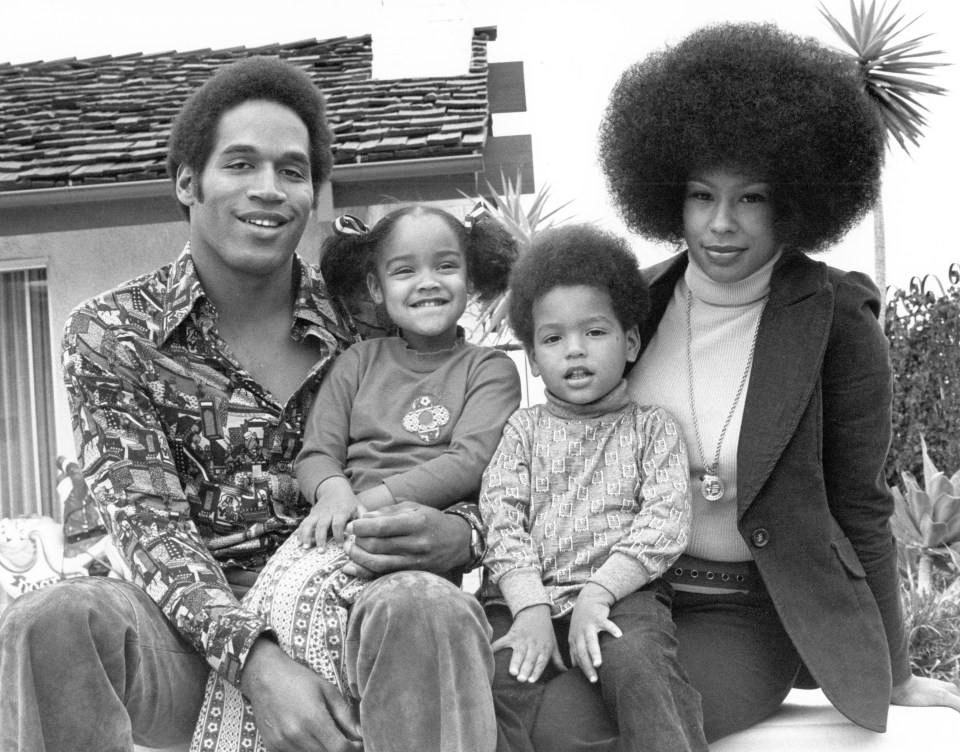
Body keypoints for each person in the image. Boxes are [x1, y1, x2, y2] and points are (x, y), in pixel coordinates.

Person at [0, 57, 494, 752]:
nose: (268, 189)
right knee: (53, 620)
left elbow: (484, 457)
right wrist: (259, 665)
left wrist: (465, 534)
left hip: (354, 606)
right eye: (240, 164)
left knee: (426, 605)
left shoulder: (374, 320)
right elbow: (152, 532)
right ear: (187, 181)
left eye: (292, 172)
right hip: (191, 642)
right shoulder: (113, 334)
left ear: (314, 196)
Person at [530, 22, 960, 751]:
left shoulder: (836, 320)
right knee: (528, 716)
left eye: (751, 198)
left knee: (584, 733)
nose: (721, 224)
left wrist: (893, 672)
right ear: (669, 194)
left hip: (746, 615)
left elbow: (860, 500)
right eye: (701, 196)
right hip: (625, 593)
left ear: (794, 200)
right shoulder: (636, 304)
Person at [192, 204, 523, 752]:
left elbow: (469, 460)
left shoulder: (488, 370)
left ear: (471, 277)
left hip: (414, 539)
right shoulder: (359, 363)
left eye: (446, 266)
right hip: (339, 525)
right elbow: (317, 452)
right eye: (404, 271)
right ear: (375, 286)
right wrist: (334, 491)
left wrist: (371, 500)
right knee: (287, 609)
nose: (427, 283)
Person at [480, 224, 707, 752]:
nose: (575, 351)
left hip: (622, 598)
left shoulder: (652, 428)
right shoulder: (523, 432)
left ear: (630, 342)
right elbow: (501, 519)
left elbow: (665, 523)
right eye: (554, 338)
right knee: (487, 685)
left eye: (595, 332)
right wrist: (529, 607)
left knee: (640, 667)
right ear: (534, 359)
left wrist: (599, 594)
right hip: (523, 601)